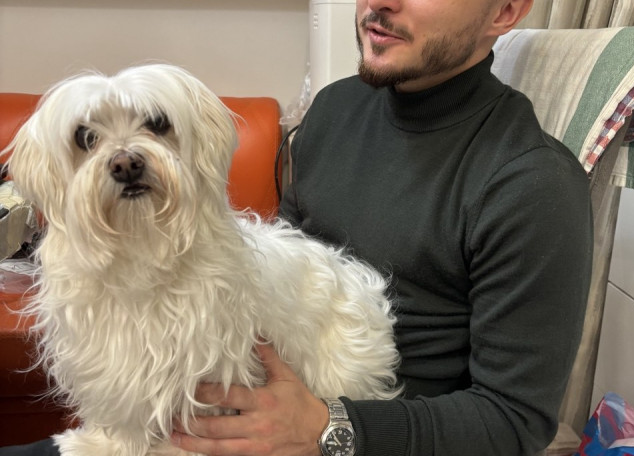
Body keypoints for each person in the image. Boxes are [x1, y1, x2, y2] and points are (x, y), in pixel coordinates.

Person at [1, 0, 592, 455]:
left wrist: (328, 427)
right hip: (216, 409)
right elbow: (285, 253)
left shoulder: (532, 184)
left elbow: (516, 423)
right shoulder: (338, 107)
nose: (379, 1)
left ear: (505, 11)